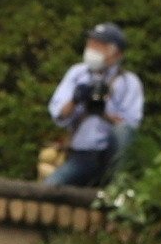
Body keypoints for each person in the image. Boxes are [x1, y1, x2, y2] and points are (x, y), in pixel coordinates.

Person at [40, 23, 144, 187]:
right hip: (81, 155)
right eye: (90, 44)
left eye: (98, 45)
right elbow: (58, 114)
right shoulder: (77, 73)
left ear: (114, 53)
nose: (91, 49)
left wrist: (103, 111)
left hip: (108, 154)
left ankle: (116, 186)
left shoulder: (128, 82)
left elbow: (130, 128)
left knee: (123, 133)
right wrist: (76, 99)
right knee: (49, 188)